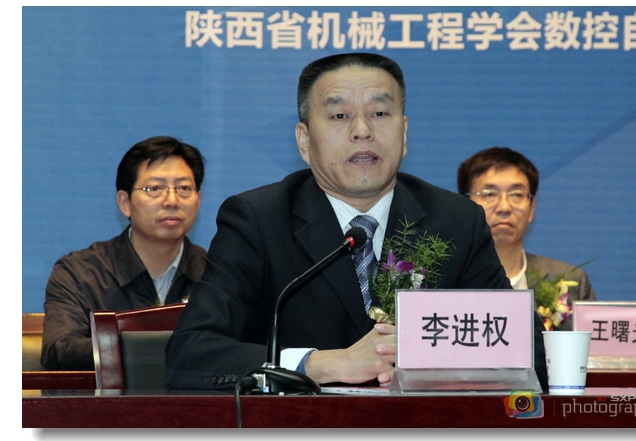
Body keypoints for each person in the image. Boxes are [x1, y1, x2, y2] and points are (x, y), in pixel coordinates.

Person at [166, 53, 548, 391]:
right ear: (304, 141)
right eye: (339, 116)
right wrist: (324, 364)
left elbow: (527, 350)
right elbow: (192, 352)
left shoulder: (456, 221)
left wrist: (429, 354)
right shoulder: (258, 220)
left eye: (380, 113)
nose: (362, 130)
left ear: (404, 133)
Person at [41, 136, 207, 371]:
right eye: (155, 188)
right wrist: (148, 346)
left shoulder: (216, 273)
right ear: (125, 202)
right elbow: (59, 350)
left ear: (198, 201)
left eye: (184, 188)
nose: (172, 200)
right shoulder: (80, 273)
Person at [457, 147, 596, 331]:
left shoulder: (570, 282)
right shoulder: (440, 281)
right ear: (465, 207)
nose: (504, 207)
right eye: (489, 194)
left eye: (517, 194)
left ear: (531, 209)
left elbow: (591, 349)